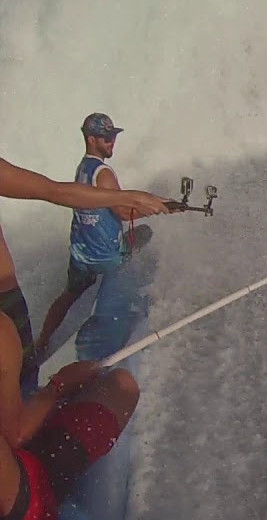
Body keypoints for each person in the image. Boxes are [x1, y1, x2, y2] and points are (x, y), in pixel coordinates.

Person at [0, 154, 168, 520]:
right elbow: (15, 435)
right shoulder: (3, 334)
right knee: (120, 386)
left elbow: (54, 190)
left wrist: (129, 198)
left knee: (18, 378)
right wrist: (59, 385)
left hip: (10, 327)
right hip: (24, 501)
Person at [0, 153, 169, 399]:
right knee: (19, 393)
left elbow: (56, 191)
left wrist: (130, 198)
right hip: (7, 302)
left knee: (21, 383)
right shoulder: (98, 170)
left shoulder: (88, 168)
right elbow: (56, 192)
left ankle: (38, 364)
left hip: (13, 297)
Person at [34, 114, 157, 366]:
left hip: (81, 254)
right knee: (143, 235)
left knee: (69, 294)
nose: (112, 142)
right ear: (92, 139)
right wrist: (155, 207)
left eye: (113, 136)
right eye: (107, 138)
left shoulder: (83, 169)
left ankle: (41, 343)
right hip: (107, 257)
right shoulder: (104, 174)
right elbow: (123, 211)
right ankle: (131, 306)